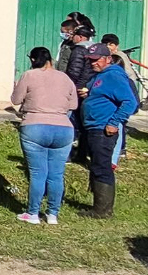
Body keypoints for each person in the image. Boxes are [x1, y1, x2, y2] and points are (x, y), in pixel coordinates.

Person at [10, 47, 78, 225]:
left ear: (33, 60)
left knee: (38, 173)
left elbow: (16, 100)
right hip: (63, 127)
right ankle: (53, 214)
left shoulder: (29, 75)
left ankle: (32, 213)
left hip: (35, 125)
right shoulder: (65, 78)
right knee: (56, 174)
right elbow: (74, 104)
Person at [78, 43, 138, 219]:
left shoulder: (113, 76)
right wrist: (88, 95)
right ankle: (99, 206)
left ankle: (102, 210)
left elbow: (130, 102)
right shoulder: (100, 76)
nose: (92, 63)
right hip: (93, 127)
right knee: (97, 164)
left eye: (96, 60)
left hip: (103, 129)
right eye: (90, 60)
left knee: (102, 166)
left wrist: (114, 122)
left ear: (108, 59)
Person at [102, 33, 137, 164]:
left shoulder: (119, 58)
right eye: (105, 43)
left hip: (120, 96)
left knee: (119, 125)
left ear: (116, 46)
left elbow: (129, 77)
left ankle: (117, 154)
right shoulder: (105, 57)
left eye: (111, 44)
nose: (108, 46)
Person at [64, 24, 95, 160]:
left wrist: (69, 87)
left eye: (74, 35)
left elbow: (74, 72)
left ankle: (70, 154)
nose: (72, 38)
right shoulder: (95, 49)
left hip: (77, 89)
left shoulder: (79, 50)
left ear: (81, 37)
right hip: (90, 89)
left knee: (72, 121)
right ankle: (83, 153)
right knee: (85, 123)